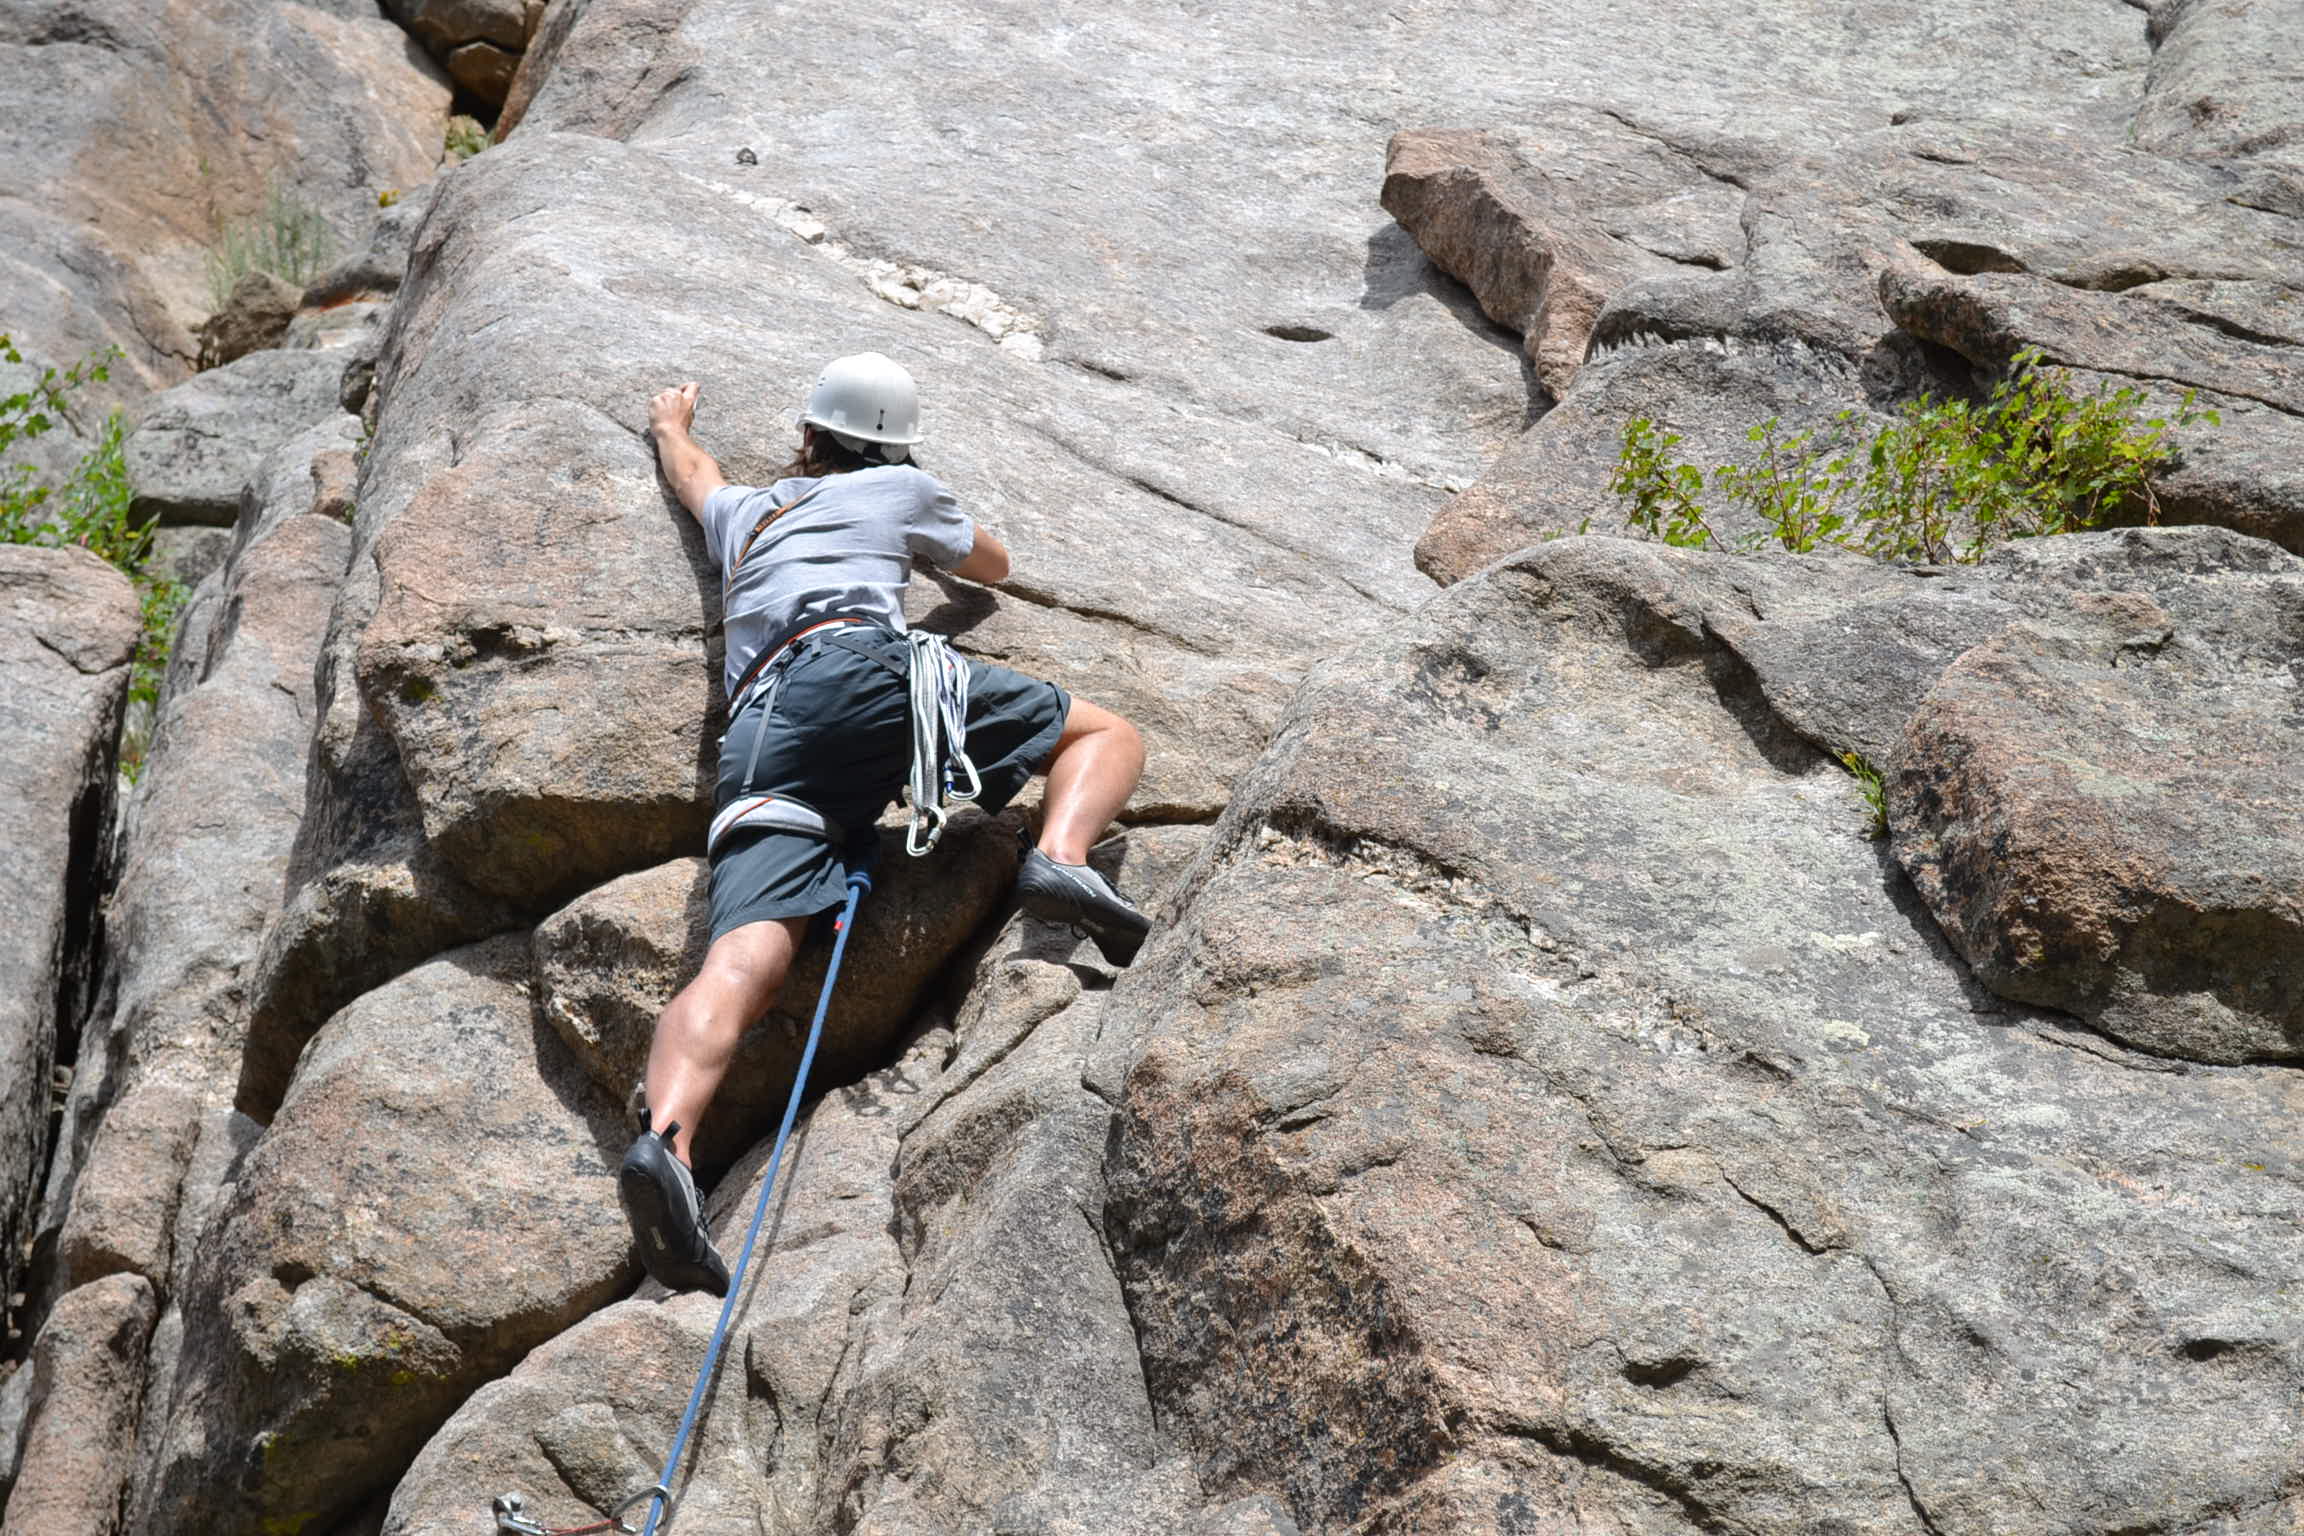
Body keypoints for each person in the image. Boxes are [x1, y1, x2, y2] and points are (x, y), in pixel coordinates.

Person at [619, 352, 1151, 1295]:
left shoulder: (751, 514)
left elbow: (694, 476)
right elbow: (989, 566)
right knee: (1107, 734)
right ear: (891, 445)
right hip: (855, 672)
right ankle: (1063, 860)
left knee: (739, 961)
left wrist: (672, 424)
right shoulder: (902, 487)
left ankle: (667, 1144)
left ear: (810, 437)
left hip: (758, 737)